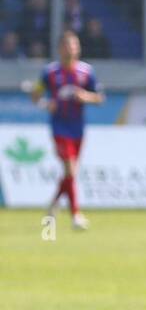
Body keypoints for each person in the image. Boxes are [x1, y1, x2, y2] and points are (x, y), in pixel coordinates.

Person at [29, 30, 104, 231]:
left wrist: (84, 97)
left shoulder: (86, 72)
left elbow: (99, 97)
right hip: (59, 127)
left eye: (74, 45)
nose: (71, 49)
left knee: (70, 173)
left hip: (78, 128)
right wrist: (46, 104)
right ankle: (76, 216)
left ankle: (53, 205)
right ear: (60, 49)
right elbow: (35, 95)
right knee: (70, 169)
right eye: (67, 45)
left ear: (78, 48)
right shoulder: (49, 72)